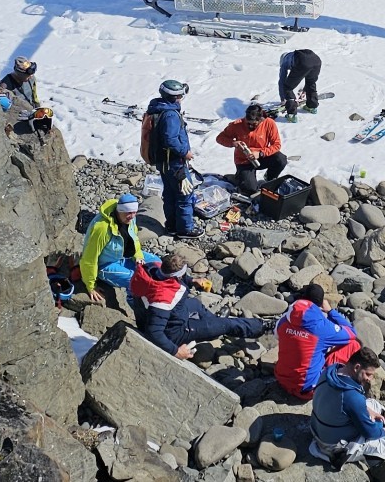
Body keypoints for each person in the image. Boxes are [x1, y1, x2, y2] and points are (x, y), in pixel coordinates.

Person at [129, 253, 270, 360]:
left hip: (168, 313)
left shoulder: (151, 268)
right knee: (227, 324)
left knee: (195, 303)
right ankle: (263, 326)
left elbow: (171, 277)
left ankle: (213, 322)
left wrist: (192, 280)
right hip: (173, 332)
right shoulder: (164, 297)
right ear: (176, 277)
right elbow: (154, 331)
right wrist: (175, 351)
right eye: (184, 275)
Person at [275, 283, 362, 399]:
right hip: (306, 389)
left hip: (281, 379)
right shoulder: (322, 327)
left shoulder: (284, 320)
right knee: (353, 344)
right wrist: (330, 311)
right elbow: (351, 333)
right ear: (321, 303)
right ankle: (350, 383)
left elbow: (277, 336)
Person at [78, 192, 156, 301]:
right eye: (129, 213)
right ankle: (136, 300)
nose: (132, 217)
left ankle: (160, 289)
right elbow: (89, 258)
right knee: (136, 279)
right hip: (106, 264)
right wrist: (91, 286)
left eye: (134, 212)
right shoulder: (101, 228)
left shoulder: (131, 218)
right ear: (120, 211)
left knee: (157, 263)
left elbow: (135, 239)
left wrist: (138, 255)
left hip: (125, 255)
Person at [144, 78, 195, 237]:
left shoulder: (158, 109)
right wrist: (184, 152)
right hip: (175, 162)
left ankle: (172, 225)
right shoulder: (171, 115)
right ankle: (185, 229)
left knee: (170, 194)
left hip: (164, 162)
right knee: (184, 195)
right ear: (176, 97)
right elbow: (170, 139)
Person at [216, 101, 286, 195]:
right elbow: (220, 138)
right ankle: (238, 178)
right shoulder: (236, 125)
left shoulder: (269, 123)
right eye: (248, 123)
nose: (250, 126)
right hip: (244, 161)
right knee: (251, 190)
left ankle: (270, 178)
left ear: (261, 119)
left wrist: (261, 153)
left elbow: (276, 145)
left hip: (261, 157)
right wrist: (233, 143)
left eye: (253, 124)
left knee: (281, 159)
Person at [278, 47, 322, 119]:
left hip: (303, 62)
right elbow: (306, 72)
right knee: (311, 83)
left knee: (287, 87)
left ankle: (292, 115)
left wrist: (283, 99)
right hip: (317, 61)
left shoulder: (284, 62)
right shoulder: (296, 55)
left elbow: (282, 81)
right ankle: (312, 107)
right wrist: (305, 90)